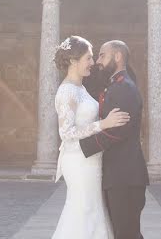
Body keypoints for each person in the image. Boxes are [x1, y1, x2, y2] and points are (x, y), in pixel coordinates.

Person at [52, 35, 130, 239]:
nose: (93, 63)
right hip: (78, 161)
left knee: (93, 210)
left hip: (91, 160)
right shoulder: (67, 91)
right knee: (82, 210)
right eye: (88, 58)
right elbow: (66, 133)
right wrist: (103, 124)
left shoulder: (81, 88)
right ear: (73, 61)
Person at [79, 41, 149, 239]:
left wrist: (82, 147)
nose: (98, 61)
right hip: (119, 175)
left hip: (125, 176)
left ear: (117, 56)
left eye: (102, 55)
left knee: (126, 234)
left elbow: (117, 131)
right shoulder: (116, 86)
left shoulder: (124, 87)